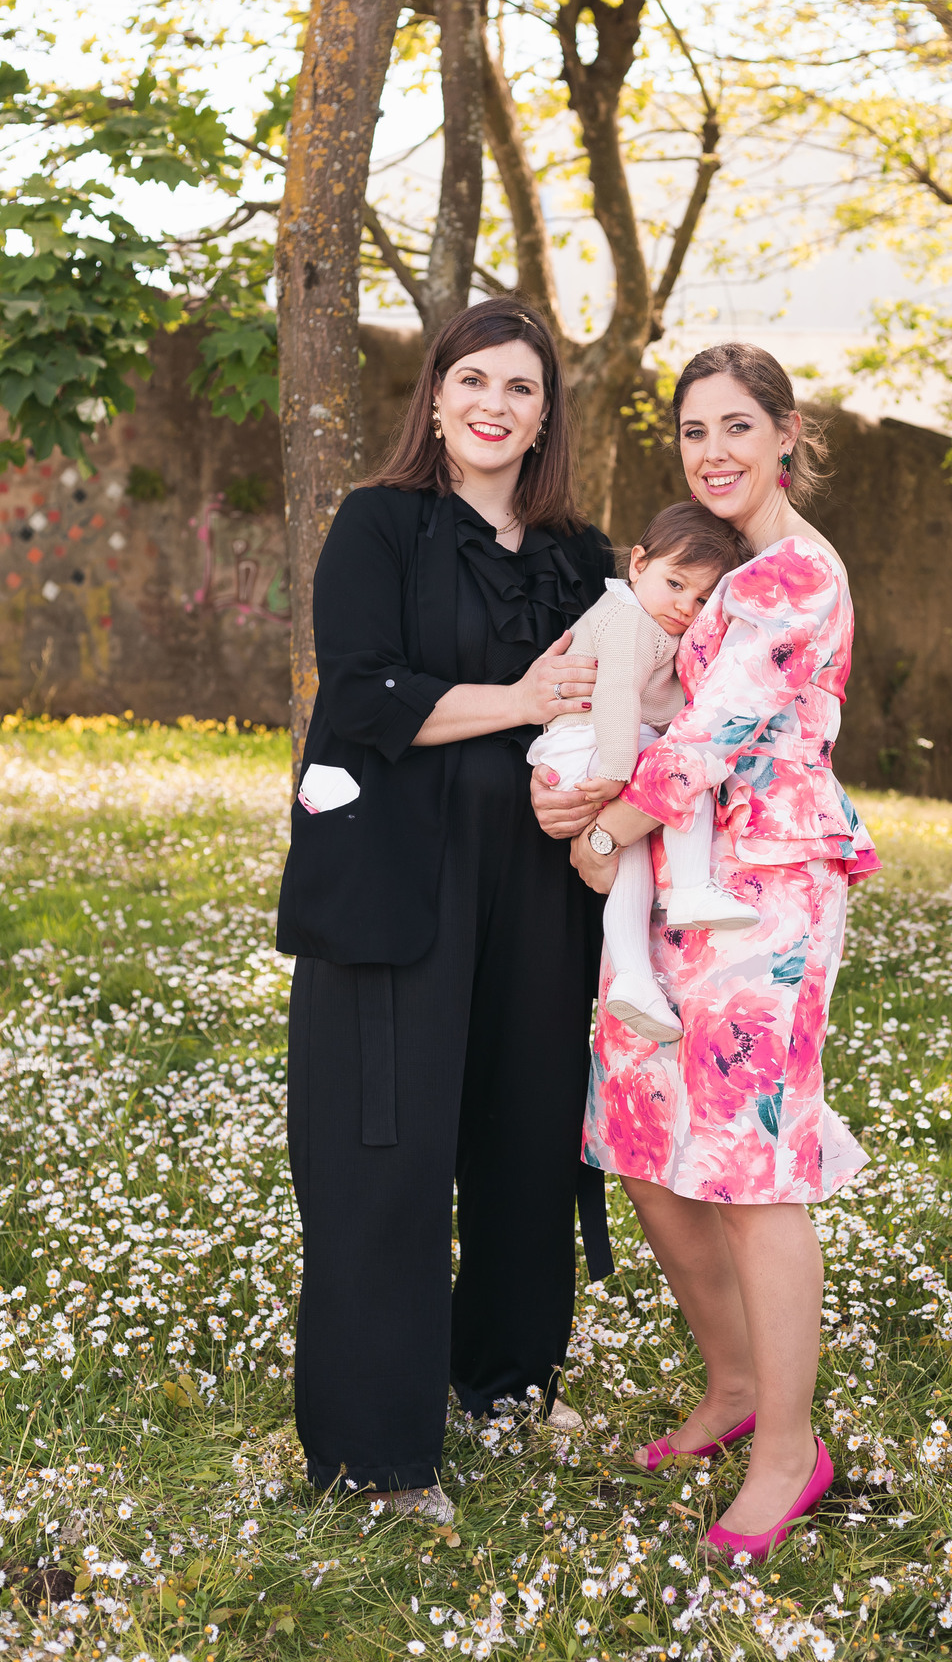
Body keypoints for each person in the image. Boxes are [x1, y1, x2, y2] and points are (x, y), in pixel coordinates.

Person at [532, 341, 879, 1562]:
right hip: (674, 884)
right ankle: (733, 1383)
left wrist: (599, 831)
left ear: (789, 435)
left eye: (739, 426)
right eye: (694, 431)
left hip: (765, 893)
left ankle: (790, 1450)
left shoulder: (794, 575)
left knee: (750, 1170)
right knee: (642, 1143)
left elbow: (711, 737)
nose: (716, 451)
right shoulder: (716, 569)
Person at [276, 296, 614, 1513]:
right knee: (388, 1149)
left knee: (529, 1135)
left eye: (521, 387)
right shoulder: (379, 525)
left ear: (546, 415)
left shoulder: (583, 555)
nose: (493, 404)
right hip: (396, 880)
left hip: (540, 883)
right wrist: (521, 699)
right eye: (473, 379)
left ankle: (504, 1384)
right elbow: (362, 697)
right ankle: (375, 1454)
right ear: (434, 395)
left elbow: (623, 705)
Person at [527, 502, 753, 1045]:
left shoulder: (649, 620)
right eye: (675, 584)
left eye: (702, 599)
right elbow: (617, 693)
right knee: (685, 770)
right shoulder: (628, 618)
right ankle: (692, 888)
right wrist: (615, 768)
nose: (684, 606)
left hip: (586, 744)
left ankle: (633, 978)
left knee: (630, 857)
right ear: (637, 563)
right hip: (593, 742)